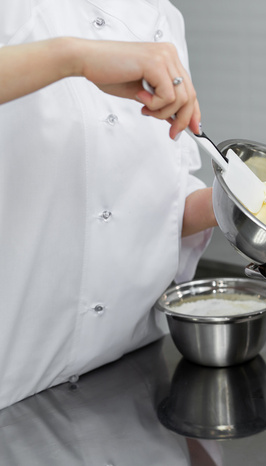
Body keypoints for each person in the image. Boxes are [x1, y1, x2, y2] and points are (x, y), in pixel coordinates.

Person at [0, 0, 218, 409]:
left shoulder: (165, 20)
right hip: (16, 388)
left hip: (132, 381)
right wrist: (72, 57)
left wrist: (235, 203)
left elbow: (152, 199)